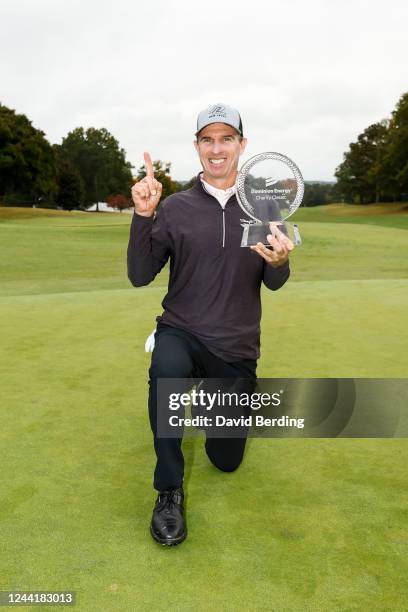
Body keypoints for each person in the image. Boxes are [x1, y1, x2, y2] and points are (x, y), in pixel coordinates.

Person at [127, 103, 293, 546]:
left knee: (226, 459)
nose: (216, 149)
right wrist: (143, 216)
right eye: (207, 139)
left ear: (242, 144)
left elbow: (275, 281)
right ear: (197, 146)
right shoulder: (177, 207)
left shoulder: (265, 206)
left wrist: (279, 262)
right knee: (166, 370)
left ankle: (208, 401)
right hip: (181, 328)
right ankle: (168, 492)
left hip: (234, 345)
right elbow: (140, 274)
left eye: (226, 139)